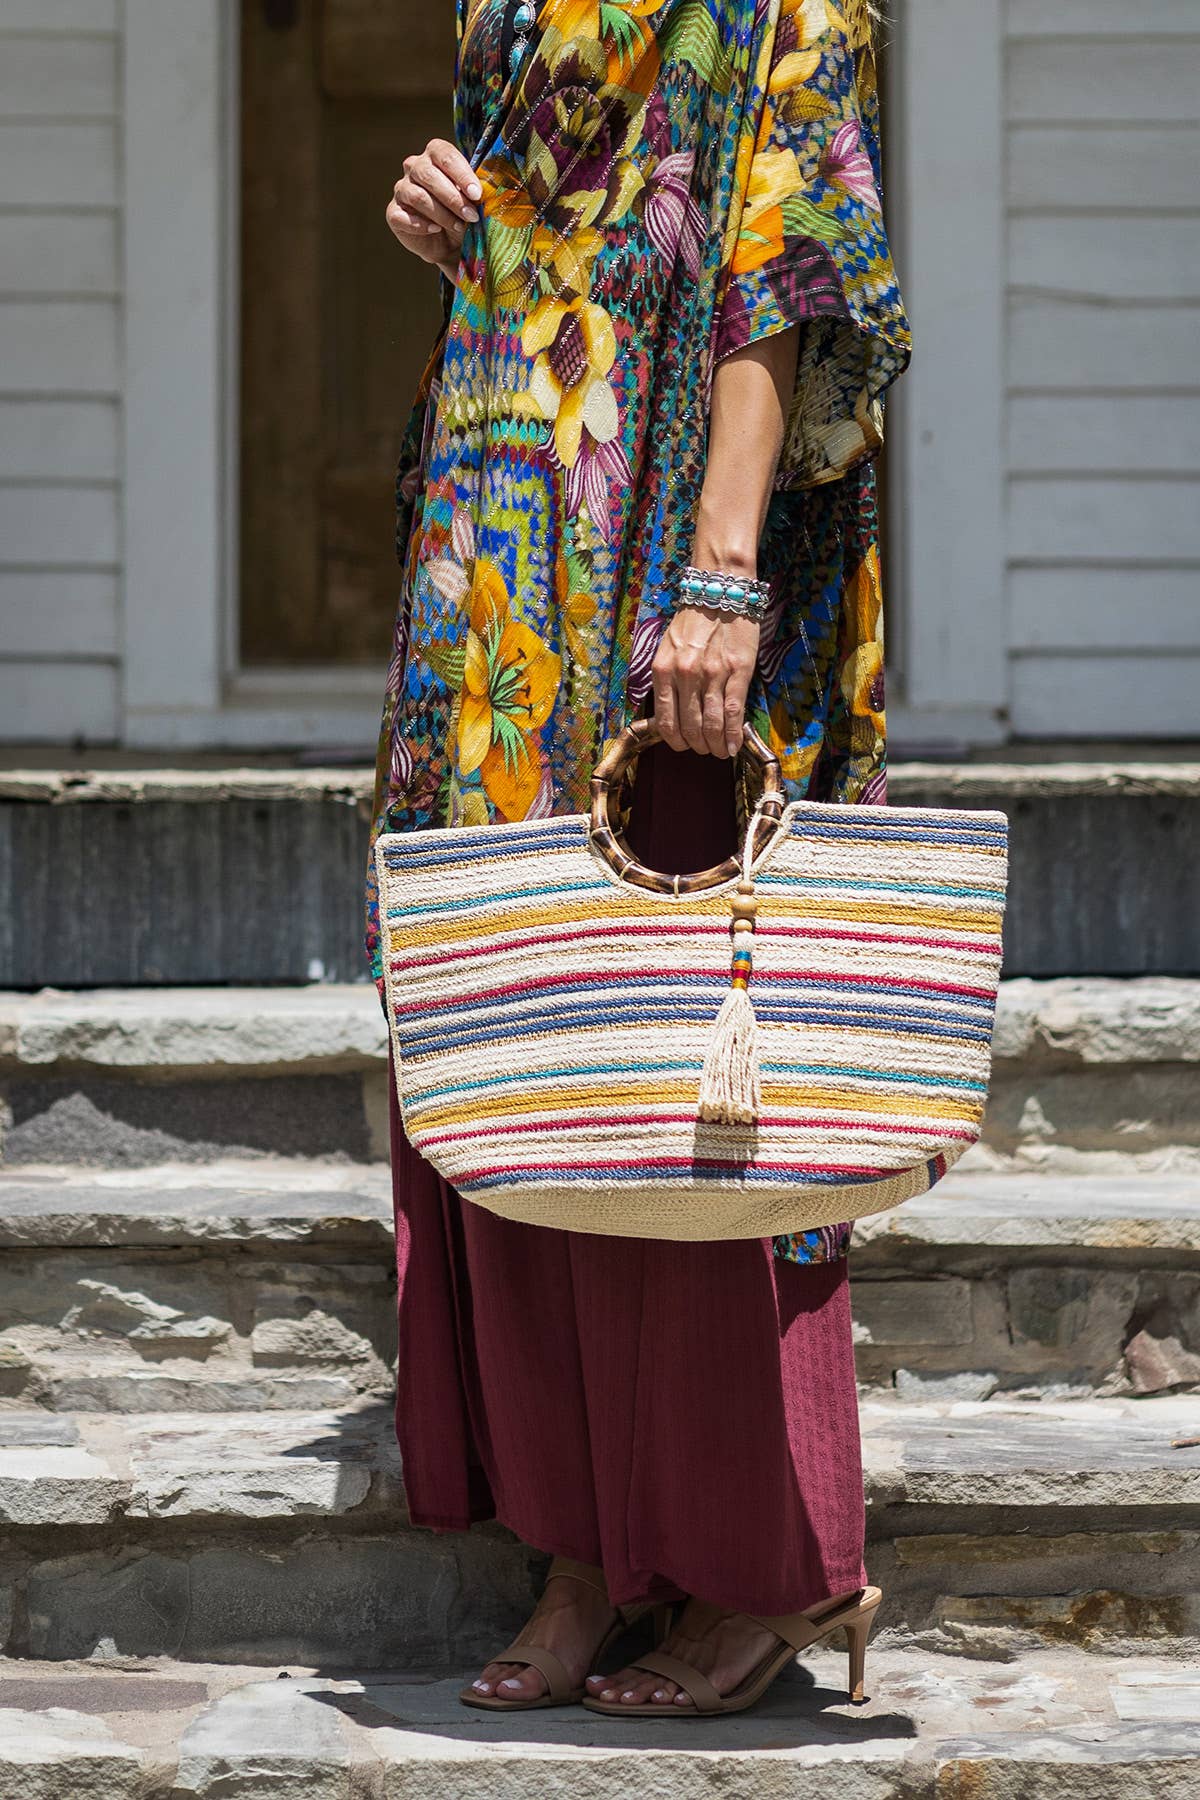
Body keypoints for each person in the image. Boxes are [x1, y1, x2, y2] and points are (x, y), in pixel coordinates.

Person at [366, 0, 909, 1718]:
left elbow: (791, 261)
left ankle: (764, 1564)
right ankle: (583, 1550)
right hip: (509, 512)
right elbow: (542, 198)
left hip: (670, 527)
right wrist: (455, 209)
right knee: (528, 1022)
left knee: (700, 1045)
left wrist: (726, 574)